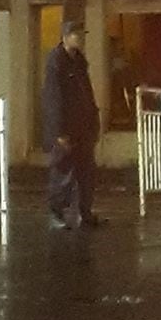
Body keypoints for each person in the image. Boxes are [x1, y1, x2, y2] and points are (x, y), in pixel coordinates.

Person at [42, 21, 101, 228]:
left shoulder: (79, 61)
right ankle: (56, 214)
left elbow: (87, 93)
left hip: (83, 126)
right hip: (67, 128)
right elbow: (53, 97)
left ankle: (84, 212)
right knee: (62, 172)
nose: (80, 38)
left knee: (86, 172)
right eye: (76, 34)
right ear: (65, 36)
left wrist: (94, 120)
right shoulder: (57, 61)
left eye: (81, 34)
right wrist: (59, 131)